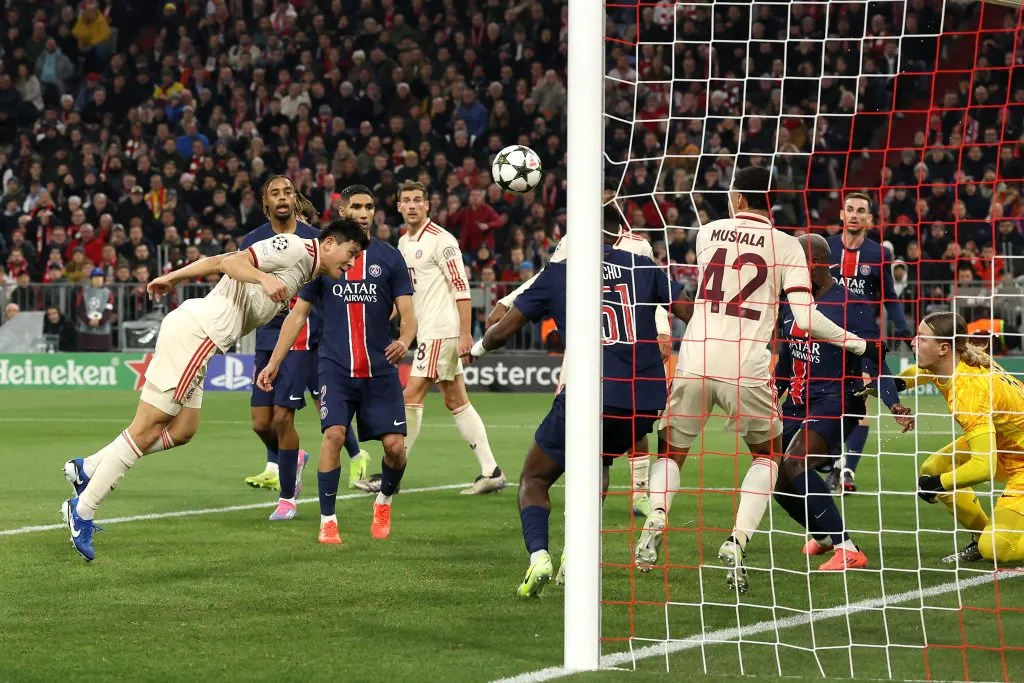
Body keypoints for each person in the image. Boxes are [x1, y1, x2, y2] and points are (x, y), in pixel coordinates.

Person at [60, 215, 368, 561]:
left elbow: (220, 260)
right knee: (146, 429)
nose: (352, 262)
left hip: (202, 338)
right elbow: (235, 263)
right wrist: (263, 278)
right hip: (198, 335)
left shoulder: (308, 267)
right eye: (351, 252)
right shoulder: (295, 247)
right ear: (329, 244)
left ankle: (86, 469)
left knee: (183, 431)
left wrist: (172, 277)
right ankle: (83, 510)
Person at [635, 166, 881, 593]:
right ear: (774, 200)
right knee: (767, 458)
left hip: (694, 357)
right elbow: (805, 318)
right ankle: (737, 538)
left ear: (738, 198)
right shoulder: (787, 246)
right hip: (746, 366)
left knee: (672, 452)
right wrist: (858, 346)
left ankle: (657, 511)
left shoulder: (707, 232)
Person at [466, 204, 692, 596]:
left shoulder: (561, 271)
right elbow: (690, 311)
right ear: (618, 231)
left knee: (534, 478)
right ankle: (577, 552)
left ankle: (539, 556)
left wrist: (477, 348)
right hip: (644, 398)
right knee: (599, 462)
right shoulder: (641, 264)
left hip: (591, 392)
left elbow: (504, 330)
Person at [258, 185, 416, 541]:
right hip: (335, 368)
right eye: (356, 206)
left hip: (380, 371)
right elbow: (297, 317)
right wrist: (275, 362)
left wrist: (405, 340)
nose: (363, 212)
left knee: (395, 449)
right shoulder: (321, 262)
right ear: (343, 211)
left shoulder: (389, 259)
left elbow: (408, 313)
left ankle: (384, 498)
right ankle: (327, 521)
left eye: (369, 206)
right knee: (334, 435)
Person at [486, 224, 674, 519]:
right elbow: (548, 274)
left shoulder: (639, 246)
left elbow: (651, 292)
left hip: (626, 347)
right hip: (583, 351)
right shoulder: (571, 240)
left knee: (620, 426)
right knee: (589, 436)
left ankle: (639, 493)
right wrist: (507, 301)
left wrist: (662, 330)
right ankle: (584, 528)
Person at [772, 234, 914, 570]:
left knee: (797, 464)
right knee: (777, 481)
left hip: (837, 402)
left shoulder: (851, 305)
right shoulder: (789, 303)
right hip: (796, 402)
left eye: (795, 262)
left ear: (816, 264)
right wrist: (769, 394)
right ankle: (822, 537)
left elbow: (874, 359)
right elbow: (785, 358)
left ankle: (847, 548)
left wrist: (892, 403)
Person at [358, 181, 505, 495]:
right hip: (428, 331)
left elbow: (462, 289)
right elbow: (405, 291)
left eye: (417, 201)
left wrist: (465, 334)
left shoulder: (442, 240)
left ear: (428, 206)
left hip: (442, 331)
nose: (411, 206)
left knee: (410, 397)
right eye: (406, 201)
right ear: (398, 207)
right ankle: (491, 470)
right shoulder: (404, 242)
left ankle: (391, 475)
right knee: (456, 400)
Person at [238, 177, 332, 521]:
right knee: (260, 423)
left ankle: (287, 497)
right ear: (266, 203)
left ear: (296, 199)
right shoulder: (252, 242)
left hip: (302, 336)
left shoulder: (315, 240)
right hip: (265, 336)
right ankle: (294, 457)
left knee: (282, 417)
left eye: (287, 192)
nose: (282, 197)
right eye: (275, 193)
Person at [912, 312, 1024, 564]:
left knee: (996, 550)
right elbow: (915, 373)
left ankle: (986, 541)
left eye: (921, 337)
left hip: (1020, 458)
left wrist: (937, 484)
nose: (913, 341)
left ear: (943, 348)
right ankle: (980, 534)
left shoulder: (968, 391)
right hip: (1009, 442)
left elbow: (983, 467)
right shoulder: (958, 362)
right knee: (934, 465)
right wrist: (888, 387)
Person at [826, 192, 914, 494]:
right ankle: (832, 464)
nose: (854, 214)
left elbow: (889, 295)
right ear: (841, 215)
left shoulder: (879, 254)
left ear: (869, 219)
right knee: (826, 403)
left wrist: (903, 328)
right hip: (826, 335)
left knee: (861, 400)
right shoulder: (826, 248)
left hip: (862, 335)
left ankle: (845, 469)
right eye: (849, 209)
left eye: (860, 210)